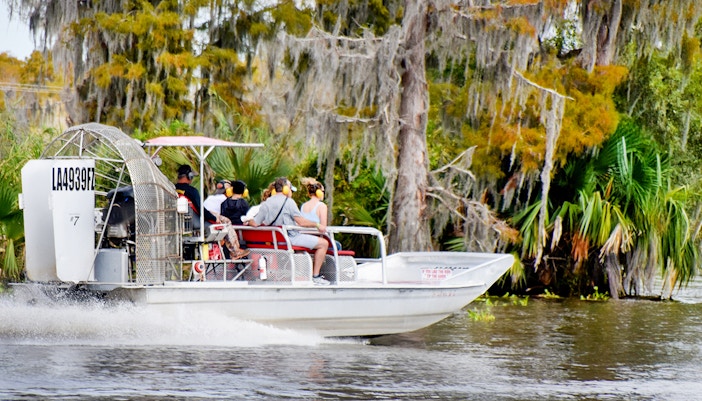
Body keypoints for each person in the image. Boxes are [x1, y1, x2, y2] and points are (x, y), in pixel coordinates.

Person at [249, 177, 330, 285]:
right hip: (290, 238)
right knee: (324, 244)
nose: (291, 192)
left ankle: (301, 274)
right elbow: (301, 222)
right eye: (290, 189)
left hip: (276, 241)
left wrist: (248, 221)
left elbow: (255, 223)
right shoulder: (289, 202)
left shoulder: (266, 203)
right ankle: (316, 276)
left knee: (306, 248)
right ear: (285, 189)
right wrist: (317, 224)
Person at [300, 177, 341, 251]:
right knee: (337, 245)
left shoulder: (303, 206)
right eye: (323, 191)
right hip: (317, 239)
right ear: (319, 192)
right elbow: (323, 227)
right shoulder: (321, 206)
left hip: (305, 238)